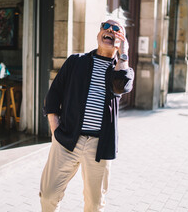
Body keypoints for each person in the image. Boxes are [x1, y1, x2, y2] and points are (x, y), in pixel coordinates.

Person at [40, 19, 134, 211]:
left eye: (116, 30)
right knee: (48, 195)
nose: (110, 30)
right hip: (66, 138)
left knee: (94, 204)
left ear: (121, 39)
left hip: (99, 146)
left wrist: (123, 53)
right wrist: (55, 128)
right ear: (98, 33)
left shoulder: (122, 69)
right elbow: (54, 93)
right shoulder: (76, 61)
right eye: (105, 27)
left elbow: (120, 86)